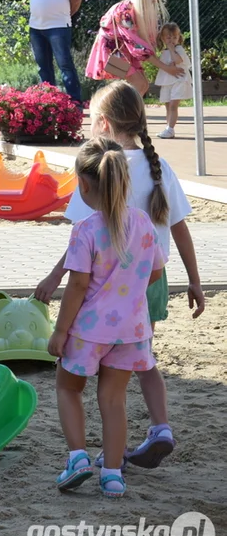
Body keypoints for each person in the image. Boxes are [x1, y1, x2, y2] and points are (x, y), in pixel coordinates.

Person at [36, 80, 204, 471]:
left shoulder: (99, 166)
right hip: (150, 280)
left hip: (102, 289)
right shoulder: (158, 168)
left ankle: (96, 453)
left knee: (100, 373)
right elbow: (180, 228)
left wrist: (52, 277)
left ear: (105, 124)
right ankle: (160, 426)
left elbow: (81, 246)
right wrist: (194, 279)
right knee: (140, 358)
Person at [47, 137, 165, 499]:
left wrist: (60, 331)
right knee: (114, 400)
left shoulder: (85, 231)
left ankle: (79, 458)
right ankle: (112, 475)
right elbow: (156, 272)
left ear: (83, 184)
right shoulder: (143, 224)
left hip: (88, 331)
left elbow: (77, 286)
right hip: (131, 331)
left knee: (68, 388)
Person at [85, 0, 184, 96]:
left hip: (117, 52)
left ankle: (126, 112)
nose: (155, 2)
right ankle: (122, 112)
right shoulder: (125, 13)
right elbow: (138, 47)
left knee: (142, 85)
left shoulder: (130, 10)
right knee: (139, 84)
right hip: (112, 54)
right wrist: (166, 68)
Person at [26, 0, 83, 105]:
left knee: (64, 64)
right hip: (36, 27)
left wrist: (64, 14)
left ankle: (75, 102)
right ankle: (49, 102)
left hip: (58, 25)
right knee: (43, 67)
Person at [153, 22, 191, 139]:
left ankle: (170, 128)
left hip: (179, 80)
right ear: (163, 38)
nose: (172, 40)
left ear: (179, 37)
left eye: (175, 37)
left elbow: (178, 61)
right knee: (168, 105)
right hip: (167, 81)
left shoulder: (178, 49)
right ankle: (168, 128)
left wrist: (172, 49)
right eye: (168, 37)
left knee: (174, 105)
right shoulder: (164, 51)